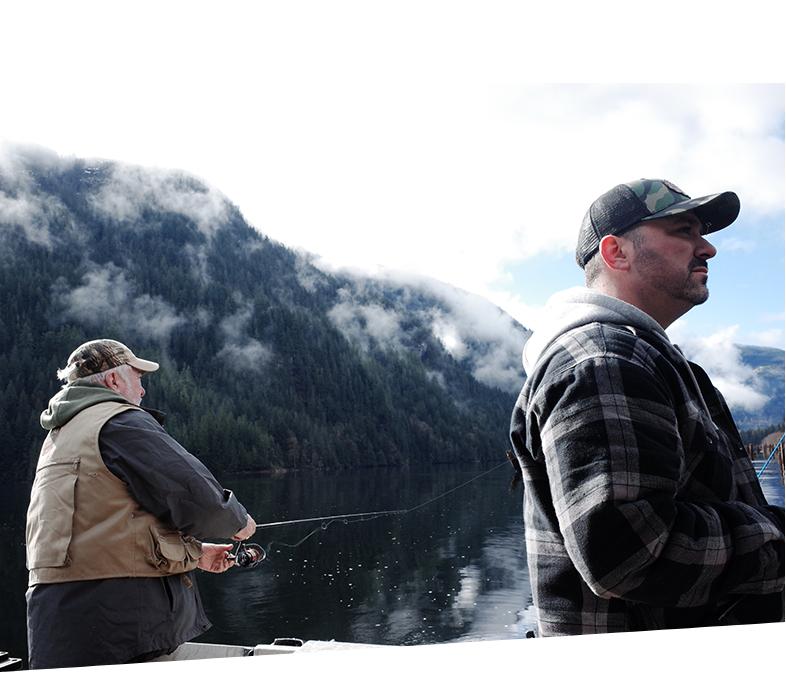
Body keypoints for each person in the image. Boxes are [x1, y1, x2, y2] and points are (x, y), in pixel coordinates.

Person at [509, 179, 784, 636]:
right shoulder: (604, 361)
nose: (708, 249)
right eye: (683, 231)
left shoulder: (645, 359)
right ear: (617, 253)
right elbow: (631, 553)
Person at [25, 339, 258, 668]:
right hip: (120, 616)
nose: (143, 390)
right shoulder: (119, 421)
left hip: (57, 618)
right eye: (138, 378)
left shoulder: (61, 434)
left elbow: (101, 527)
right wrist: (237, 522)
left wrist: (196, 554)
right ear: (113, 380)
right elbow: (195, 496)